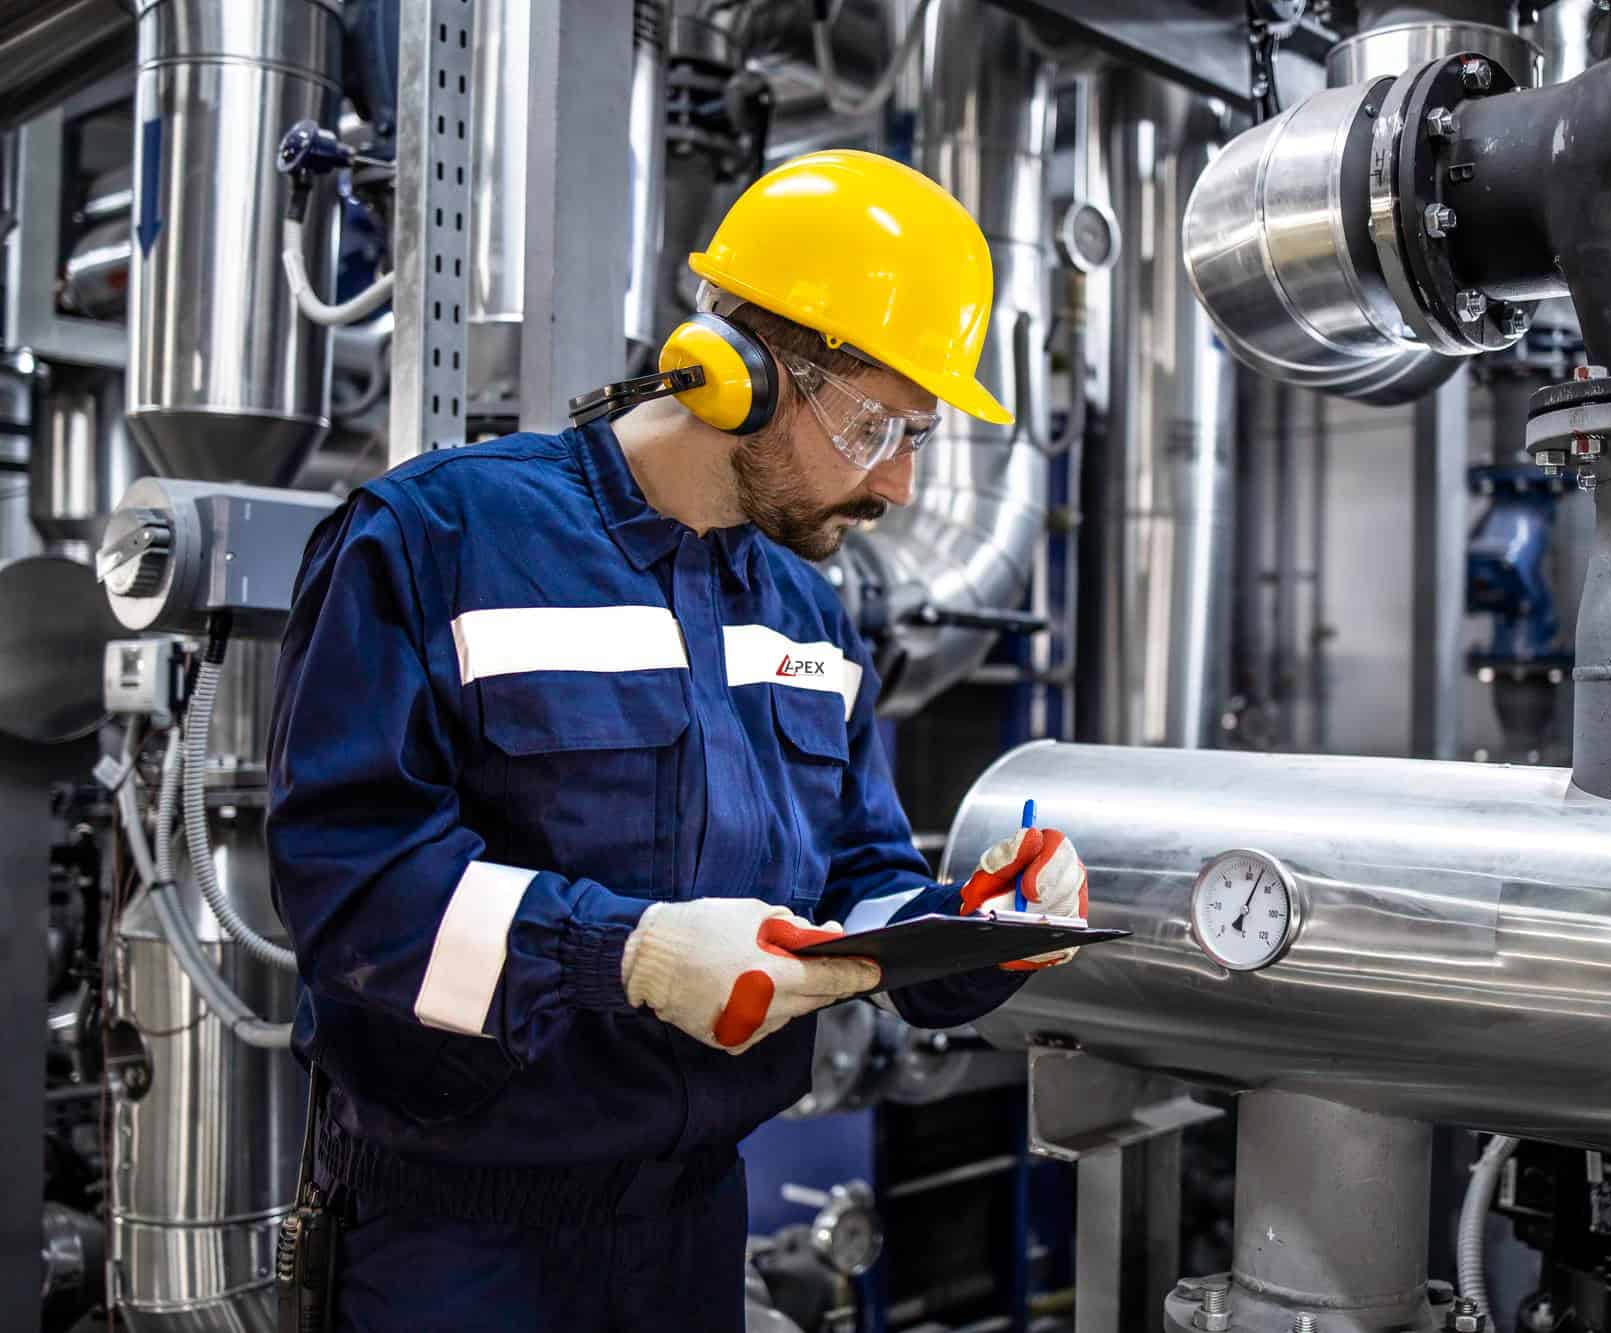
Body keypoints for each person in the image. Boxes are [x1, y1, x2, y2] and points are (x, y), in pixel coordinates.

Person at [265, 149, 1090, 1332]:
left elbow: (855, 881)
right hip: (456, 1237)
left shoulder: (807, 614)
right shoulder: (440, 536)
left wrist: (974, 933)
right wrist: (629, 954)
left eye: (918, 439)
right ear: (738, 374)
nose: (899, 485)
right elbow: (352, 892)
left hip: (695, 1224)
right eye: (877, 428)